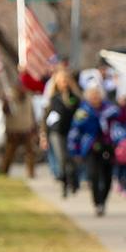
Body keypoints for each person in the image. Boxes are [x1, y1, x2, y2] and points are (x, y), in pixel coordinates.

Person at [69, 73, 126, 217]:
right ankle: (97, 202)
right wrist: (74, 149)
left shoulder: (110, 109)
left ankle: (103, 201)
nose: (95, 97)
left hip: (108, 146)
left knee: (107, 176)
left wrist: (123, 106)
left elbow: (122, 119)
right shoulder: (83, 111)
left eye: (97, 94)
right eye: (92, 95)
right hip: (90, 147)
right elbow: (75, 130)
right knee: (93, 175)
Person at [45, 68, 81, 196]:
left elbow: (78, 112)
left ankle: (74, 181)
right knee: (62, 158)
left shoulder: (75, 97)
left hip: (71, 131)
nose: (63, 83)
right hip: (56, 132)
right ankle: (64, 183)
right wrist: (44, 135)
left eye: (65, 81)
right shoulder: (54, 98)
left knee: (72, 158)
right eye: (61, 81)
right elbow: (47, 116)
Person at [0, 78, 39, 178]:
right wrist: (6, 102)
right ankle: (4, 172)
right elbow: (5, 111)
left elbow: (32, 113)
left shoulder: (29, 97)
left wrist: (34, 128)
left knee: (30, 153)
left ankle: (31, 173)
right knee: (9, 153)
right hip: (13, 130)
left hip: (27, 129)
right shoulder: (9, 96)